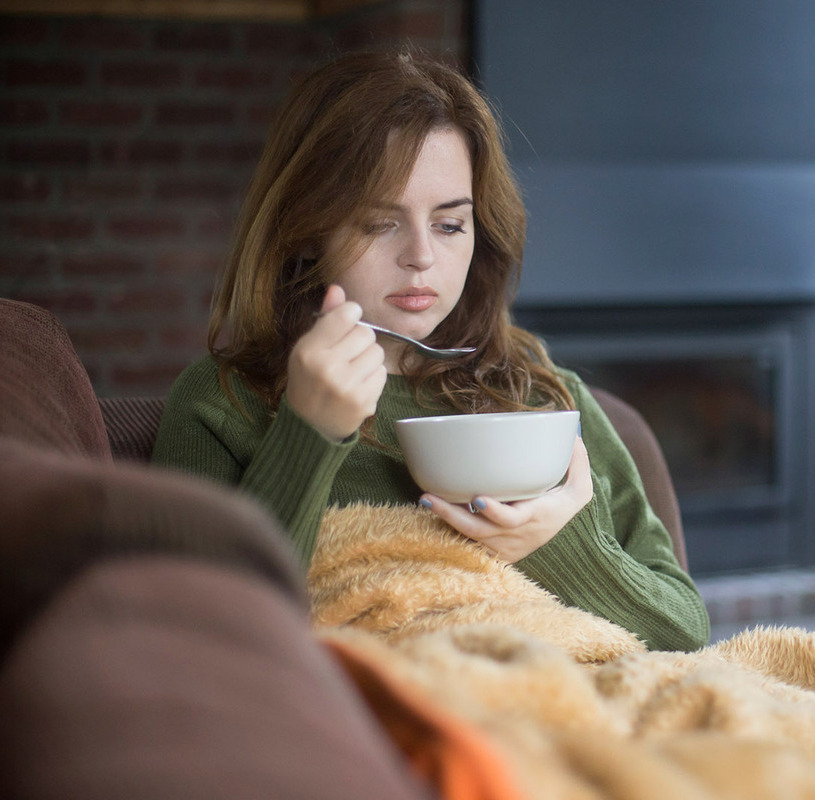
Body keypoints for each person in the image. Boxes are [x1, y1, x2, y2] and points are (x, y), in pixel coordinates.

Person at [151, 48, 708, 652]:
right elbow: (196, 637)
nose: (421, 256)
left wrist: (555, 543)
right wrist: (308, 432)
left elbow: (683, 627)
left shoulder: (542, 394)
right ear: (307, 231)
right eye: (378, 223)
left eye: (449, 225)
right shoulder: (222, 402)